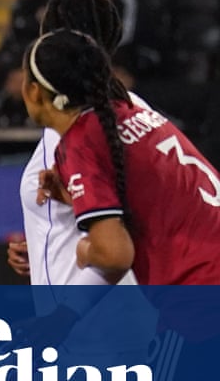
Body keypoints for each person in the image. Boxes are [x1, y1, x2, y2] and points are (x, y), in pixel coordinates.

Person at [23, 31, 220, 285]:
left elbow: (115, 255)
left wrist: (85, 251)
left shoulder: (81, 142)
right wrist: (71, 194)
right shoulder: (128, 111)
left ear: (35, 92)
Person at [8, 0, 144, 287]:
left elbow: (117, 247)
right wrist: (43, 244)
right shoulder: (124, 110)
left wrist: (66, 316)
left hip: (97, 320)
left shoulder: (85, 127)